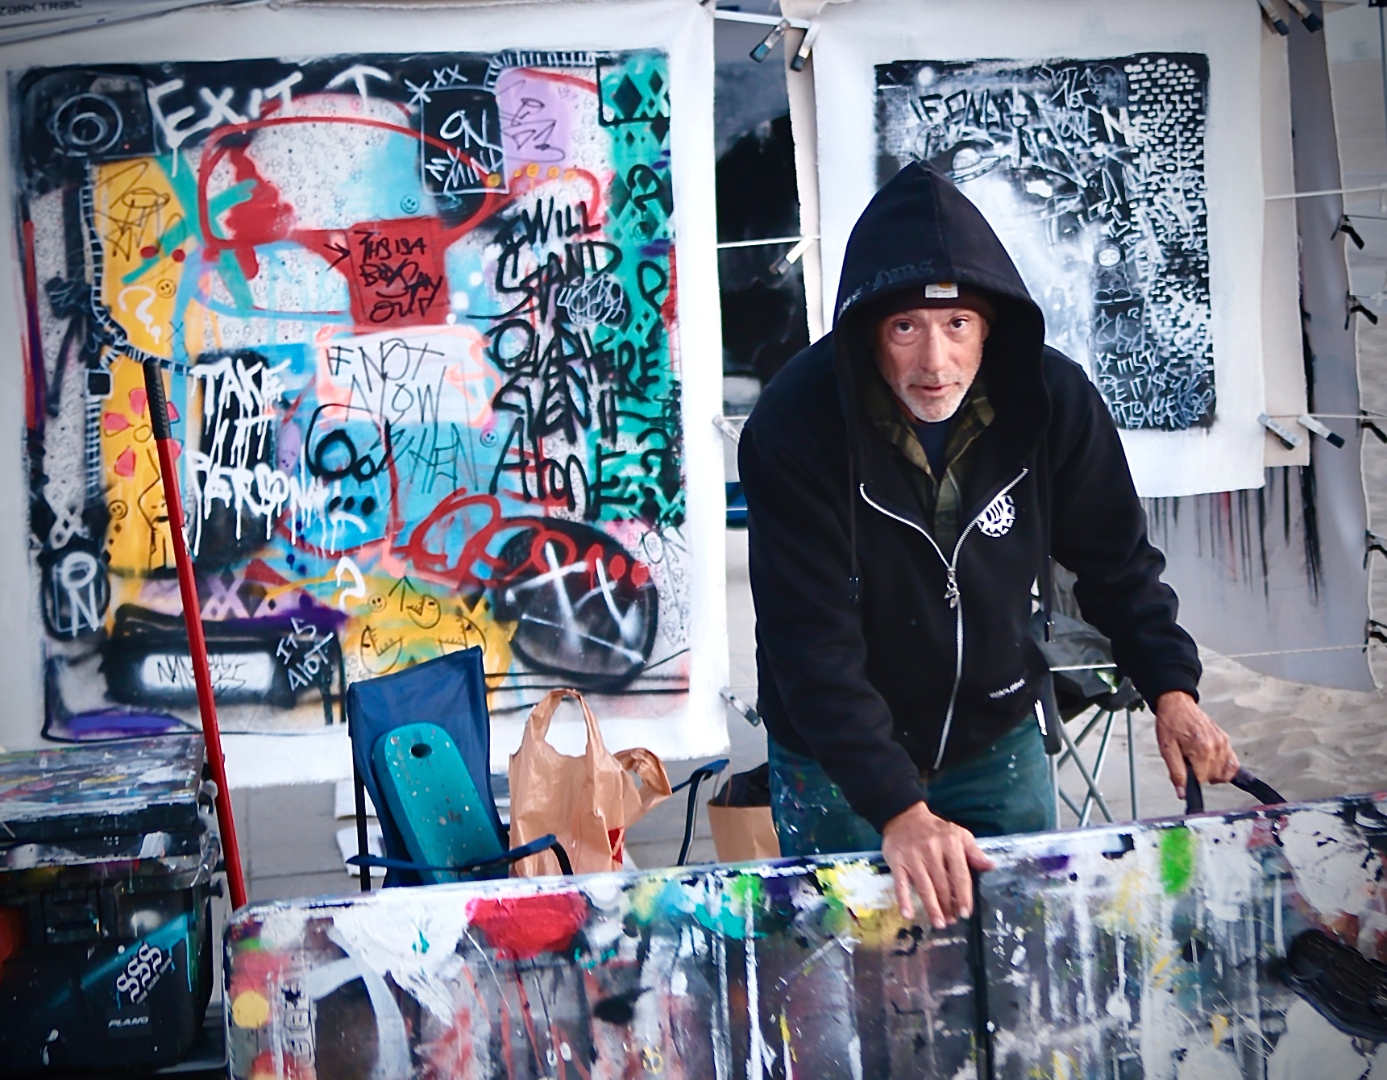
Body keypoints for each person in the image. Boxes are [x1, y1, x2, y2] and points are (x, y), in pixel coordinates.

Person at [738, 163, 1239, 930]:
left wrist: (1171, 689)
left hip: (994, 734)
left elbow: (1117, 563)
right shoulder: (793, 425)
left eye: (956, 326)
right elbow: (809, 644)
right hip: (835, 764)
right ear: (867, 330)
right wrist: (897, 807)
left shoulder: (1052, 400)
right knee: (852, 976)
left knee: (1021, 970)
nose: (932, 363)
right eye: (905, 327)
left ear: (990, 326)